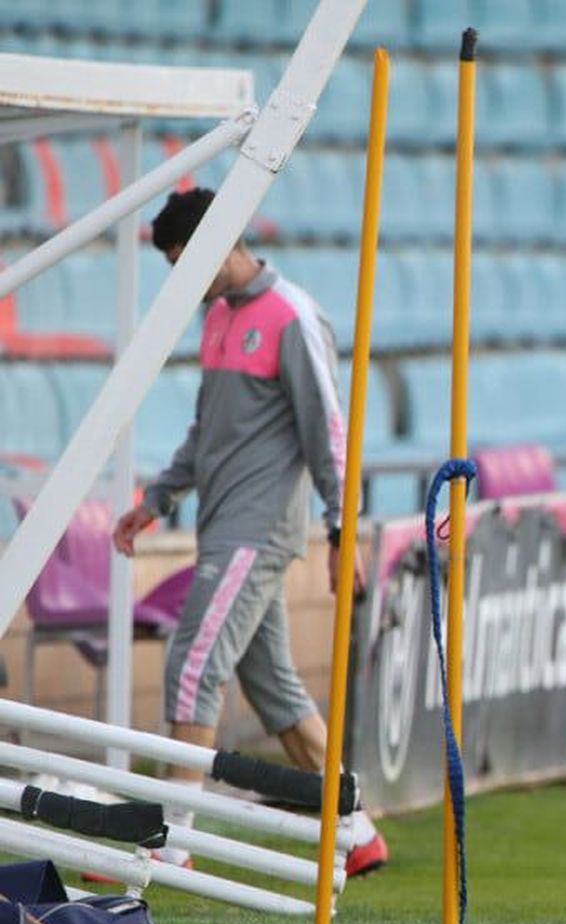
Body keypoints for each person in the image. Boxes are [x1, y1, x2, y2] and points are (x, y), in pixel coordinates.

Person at [112, 188, 387, 876]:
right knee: (277, 693)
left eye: (185, 261)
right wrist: (159, 497)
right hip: (220, 526)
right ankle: (357, 829)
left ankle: (170, 843)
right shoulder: (216, 320)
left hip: (257, 532)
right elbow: (209, 430)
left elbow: (329, 432)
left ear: (220, 242)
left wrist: (340, 531)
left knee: (191, 665)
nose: (184, 279)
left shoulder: (292, 316)